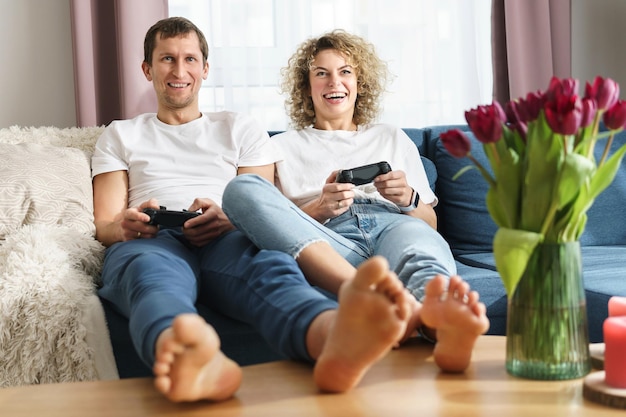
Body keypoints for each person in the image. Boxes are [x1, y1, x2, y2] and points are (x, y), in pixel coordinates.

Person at [92, 17, 423, 403]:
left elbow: (258, 203)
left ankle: (332, 337)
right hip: (153, 238)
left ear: (205, 68)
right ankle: (188, 358)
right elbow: (105, 224)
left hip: (226, 234)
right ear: (148, 69)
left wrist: (226, 219)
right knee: (150, 279)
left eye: (190, 59)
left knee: (270, 268)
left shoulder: (238, 127)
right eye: (167, 59)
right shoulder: (120, 133)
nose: (179, 71)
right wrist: (127, 227)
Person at [222, 29, 490, 372]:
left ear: (359, 83)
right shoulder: (280, 146)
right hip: (329, 242)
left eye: (345, 71)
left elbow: (430, 225)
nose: (335, 81)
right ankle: (381, 299)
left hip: (395, 225)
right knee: (241, 189)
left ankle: (440, 320)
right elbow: (271, 221)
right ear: (307, 87)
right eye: (322, 73)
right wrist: (318, 209)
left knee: (420, 257)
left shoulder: (390, 136)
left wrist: (407, 198)